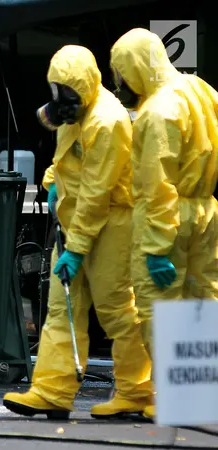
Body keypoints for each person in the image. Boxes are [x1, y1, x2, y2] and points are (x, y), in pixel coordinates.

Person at [2, 45, 153, 419]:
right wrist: (53, 181)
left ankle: (138, 392)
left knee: (117, 312)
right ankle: (52, 391)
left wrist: (76, 249)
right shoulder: (76, 114)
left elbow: (98, 193)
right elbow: (68, 162)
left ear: (82, 86)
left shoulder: (108, 121)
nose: (60, 103)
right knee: (60, 310)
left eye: (65, 95)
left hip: (111, 224)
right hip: (75, 224)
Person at [110, 28, 218, 421]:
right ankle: (197, 394)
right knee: (202, 305)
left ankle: (175, 396)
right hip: (205, 211)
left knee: (160, 309)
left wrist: (155, 248)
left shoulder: (157, 112)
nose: (120, 82)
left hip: (168, 220)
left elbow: (157, 185)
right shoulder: (200, 89)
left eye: (122, 71)